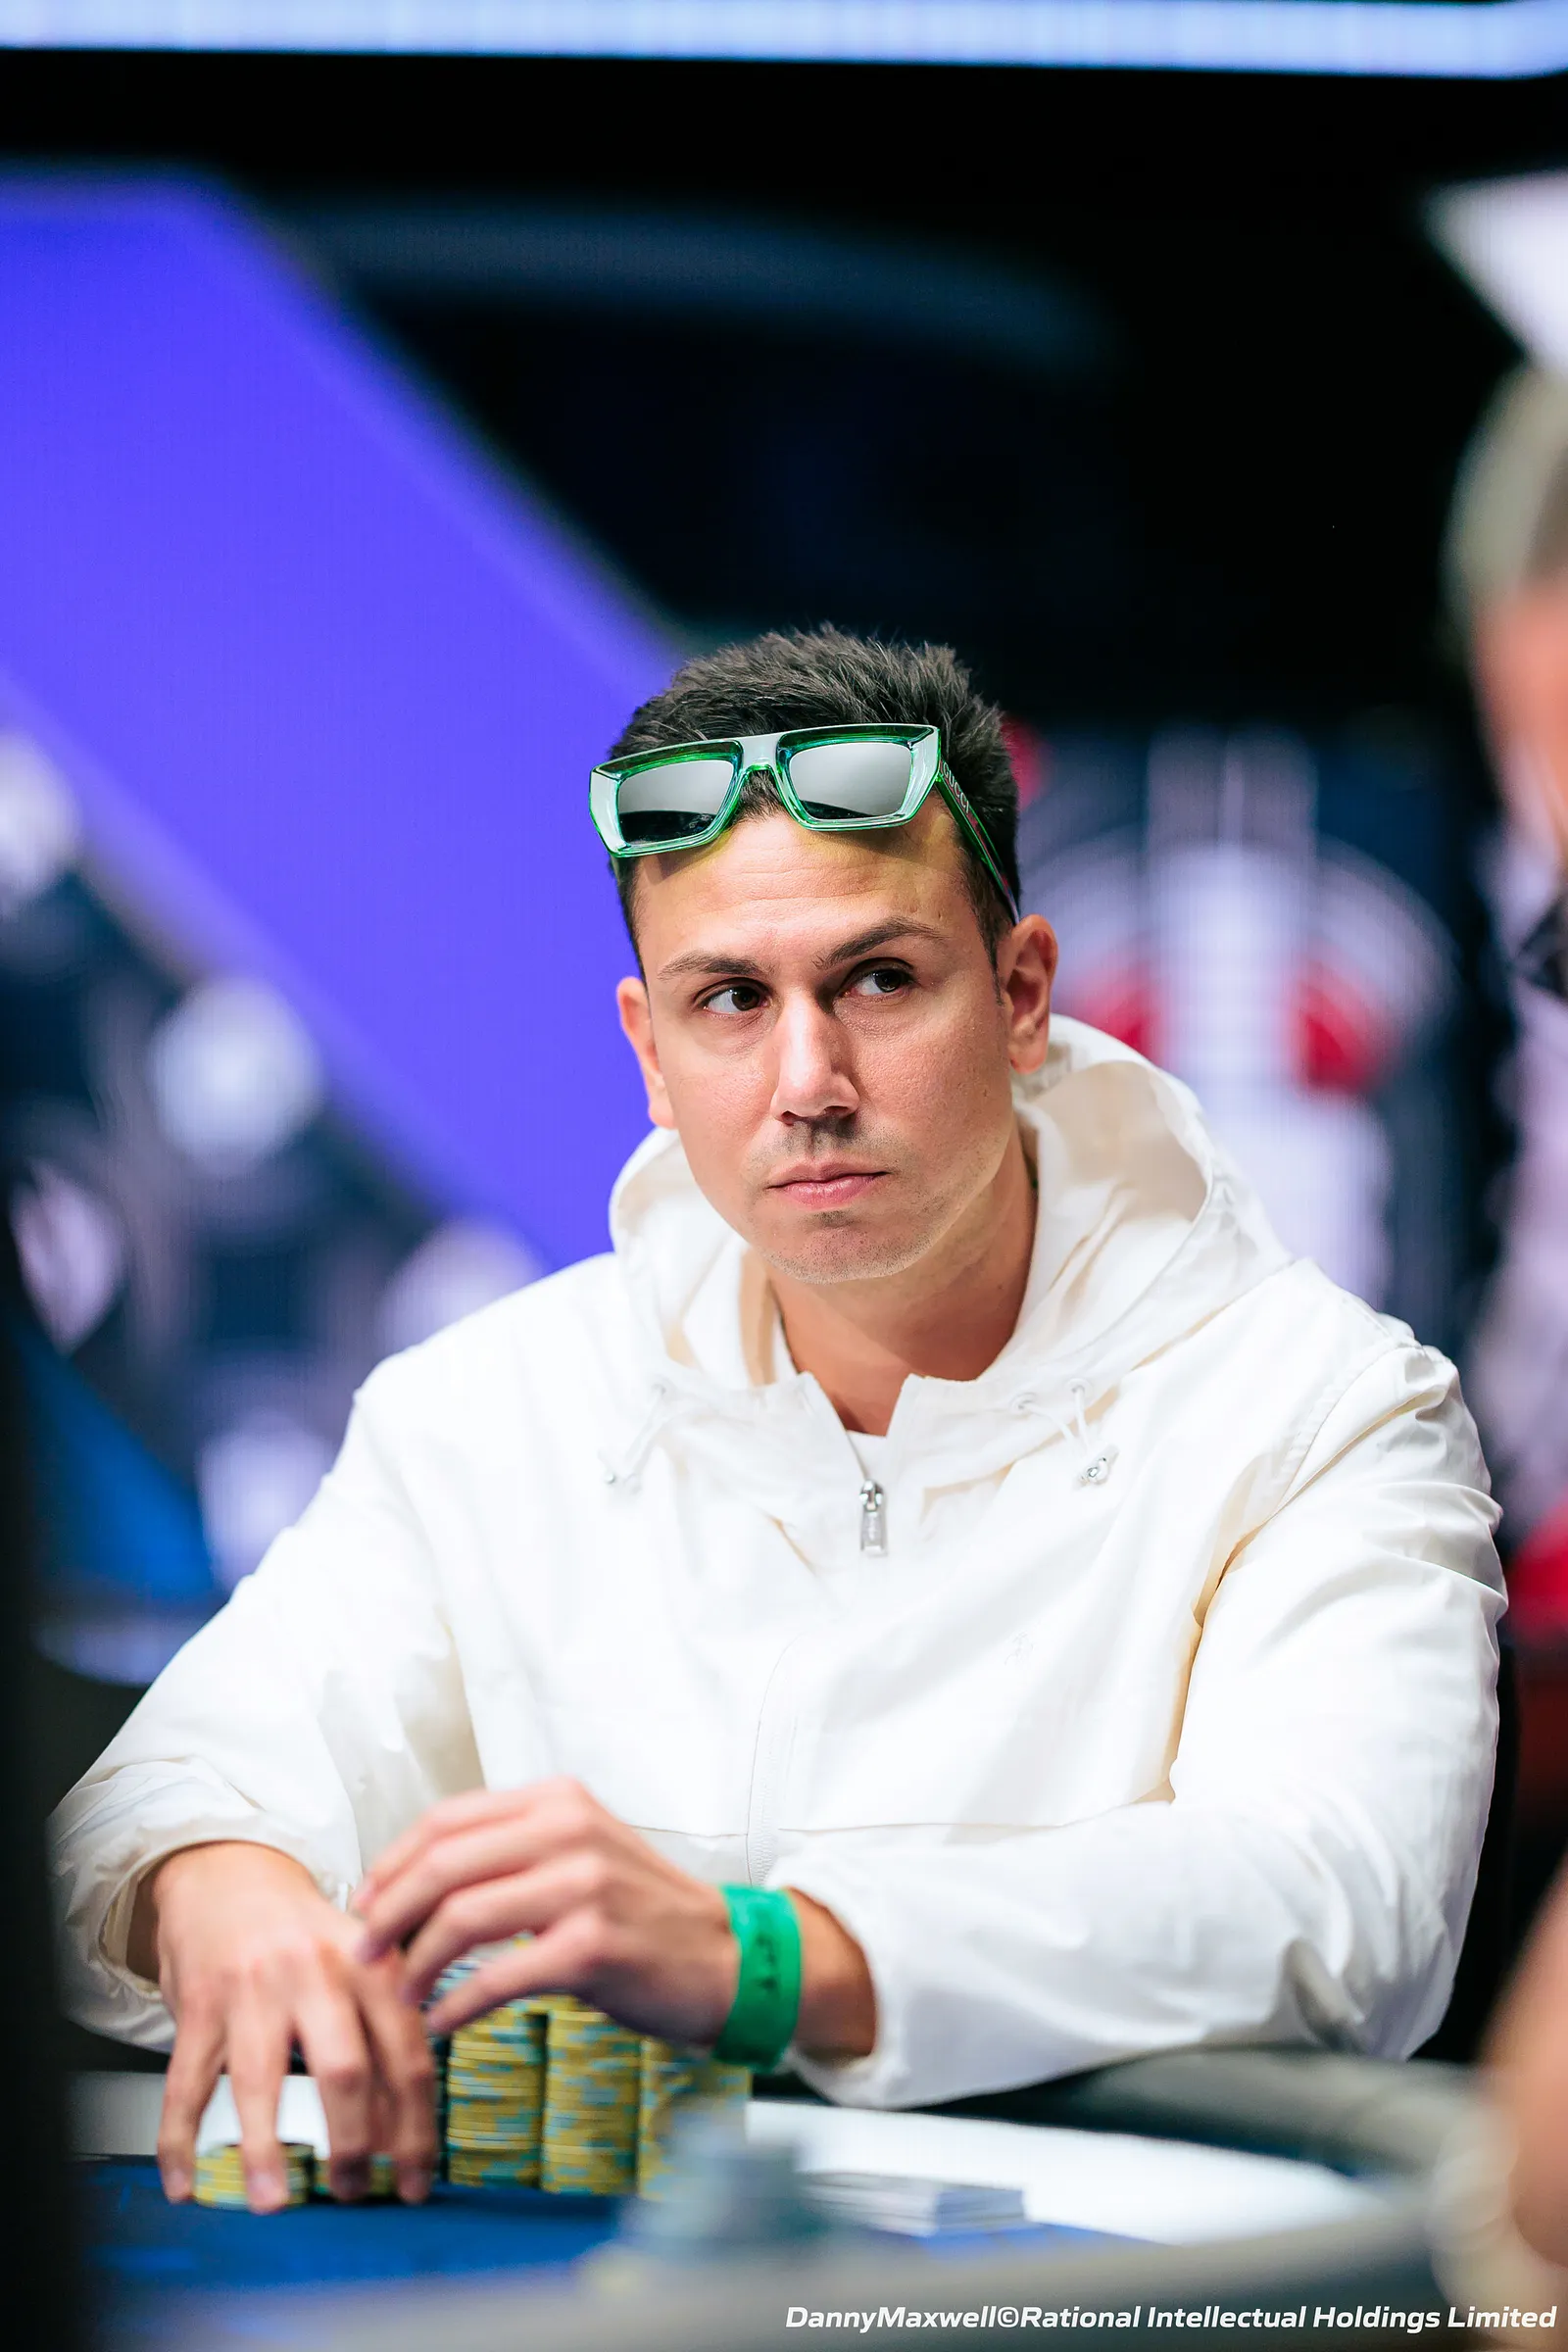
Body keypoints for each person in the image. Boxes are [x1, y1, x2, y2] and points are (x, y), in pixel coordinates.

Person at [52, 627, 1502, 2215]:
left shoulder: (1322, 1411)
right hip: (603, 2306)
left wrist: (761, 1956)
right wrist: (224, 1890)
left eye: (878, 980)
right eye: (731, 999)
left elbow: (1339, 1899)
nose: (808, 1079)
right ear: (649, 1050)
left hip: (1116, 2302)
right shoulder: (490, 1411)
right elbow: (165, 1796)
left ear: (1021, 996)